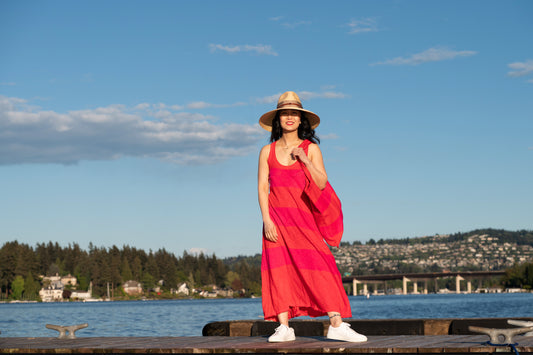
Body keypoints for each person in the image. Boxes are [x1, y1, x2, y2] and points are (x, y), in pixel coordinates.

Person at [257, 91, 367, 343]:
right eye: (285, 113)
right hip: (276, 219)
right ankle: (283, 326)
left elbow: (321, 182)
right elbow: (263, 187)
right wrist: (266, 219)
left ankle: (336, 324)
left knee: (322, 266)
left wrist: (305, 159)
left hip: (304, 220)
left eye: (294, 113)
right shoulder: (267, 151)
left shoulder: (311, 148)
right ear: (278, 119)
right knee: (278, 271)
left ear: (301, 119)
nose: (289, 117)